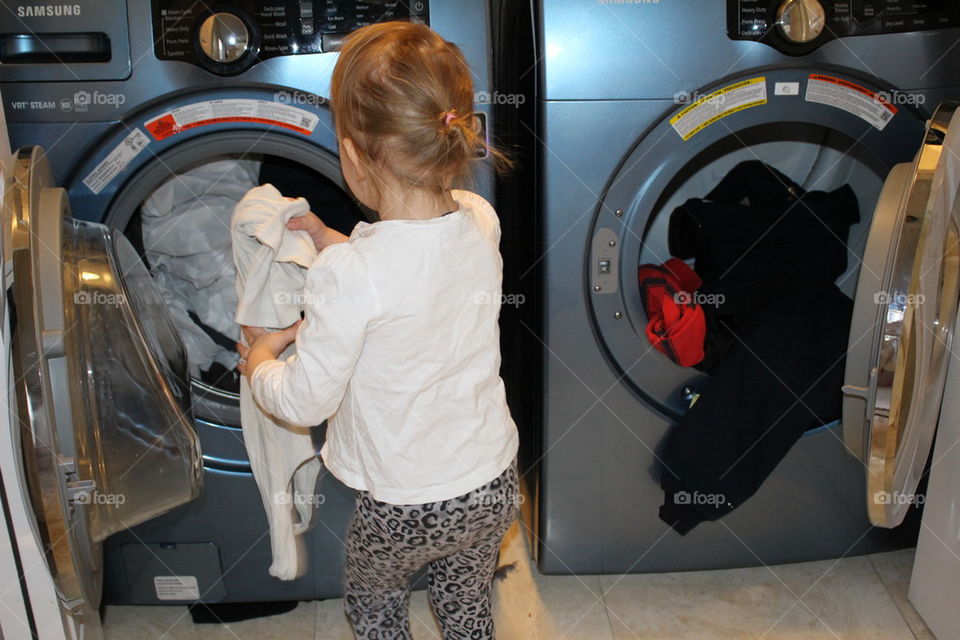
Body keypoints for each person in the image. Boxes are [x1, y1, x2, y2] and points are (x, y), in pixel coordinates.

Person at [236, 21, 519, 640]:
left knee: (375, 608)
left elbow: (308, 398)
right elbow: (411, 272)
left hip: (404, 506)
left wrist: (260, 362)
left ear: (352, 156)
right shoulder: (480, 219)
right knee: (464, 596)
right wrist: (331, 240)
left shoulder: (349, 275)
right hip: (493, 482)